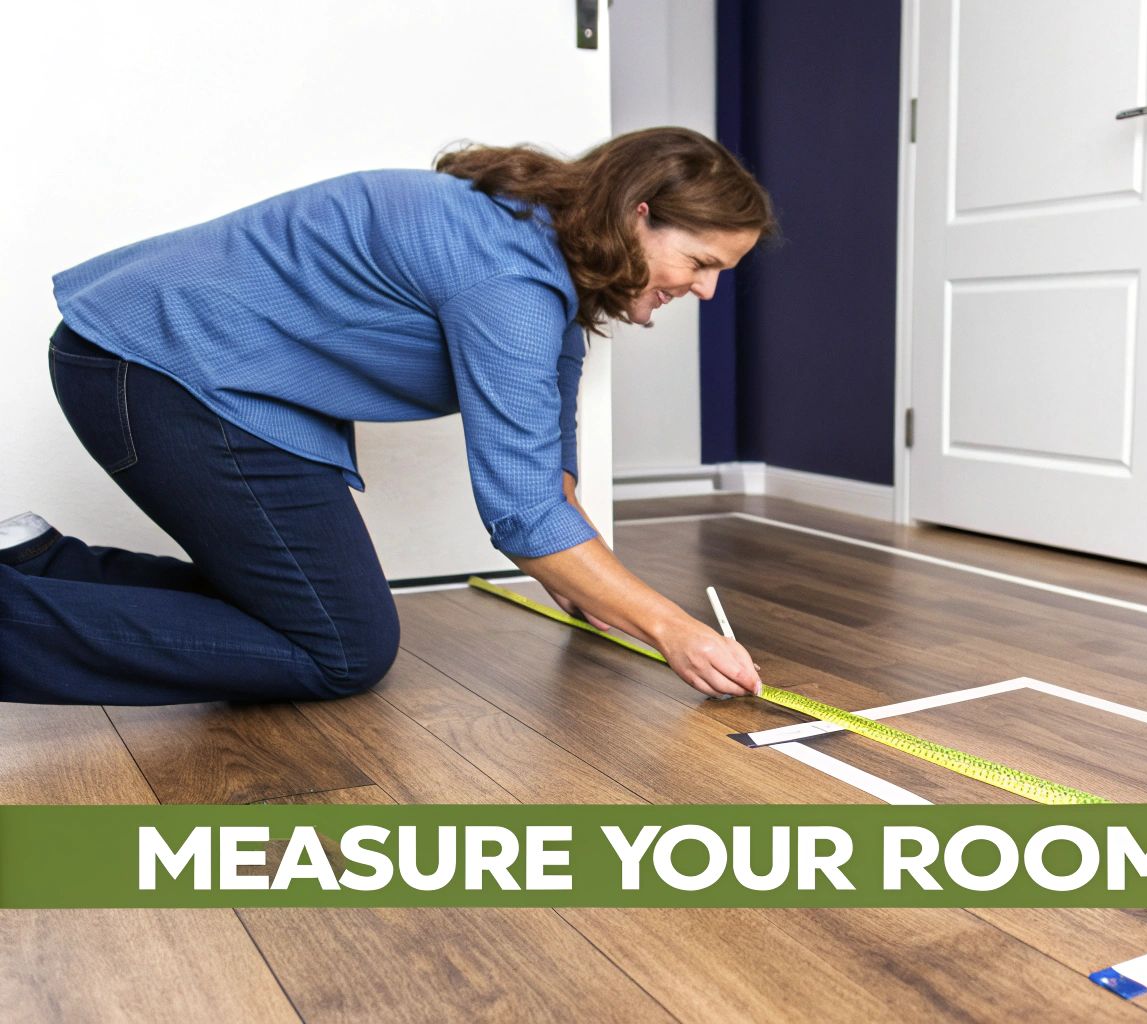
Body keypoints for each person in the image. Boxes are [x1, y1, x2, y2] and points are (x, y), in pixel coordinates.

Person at [0, 126, 773, 706]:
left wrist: (594, 582)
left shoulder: (545, 256)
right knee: (341, 648)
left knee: (310, 614)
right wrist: (671, 627)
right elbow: (524, 512)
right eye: (701, 263)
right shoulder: (509, 280)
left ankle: (35, 564)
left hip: (221, 380)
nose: (706, 291)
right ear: (639, 216)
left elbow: (548, 461)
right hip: (161, 366)